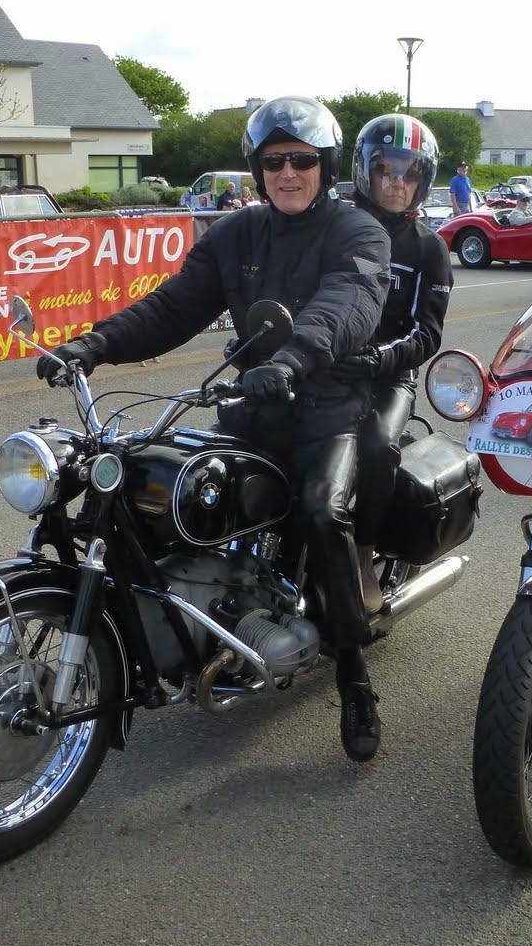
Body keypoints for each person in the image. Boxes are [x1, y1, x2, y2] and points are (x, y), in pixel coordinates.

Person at [34, 96, 394, 761]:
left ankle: (353, 677)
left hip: (326, 411)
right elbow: (174, 306)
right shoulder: (237, 234)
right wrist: (94, 344)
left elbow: (347, 304)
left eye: (301, 160)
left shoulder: (358, 232)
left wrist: (293, 359)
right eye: (274, 162)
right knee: (168, 493)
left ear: (325, 164)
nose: (287, 173)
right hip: (252, 410)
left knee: (322, 513)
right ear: (258, 170)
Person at [334, 114, 454, 614]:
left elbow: (427, 333)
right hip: (325, 364)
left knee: (379, 446)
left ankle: (364, 554)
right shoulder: (333, 226)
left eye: (409, 173)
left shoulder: (428, 248)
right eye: (385, 169)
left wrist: (380, 358)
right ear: (364, 170)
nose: (396, 183)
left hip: (388, 376)